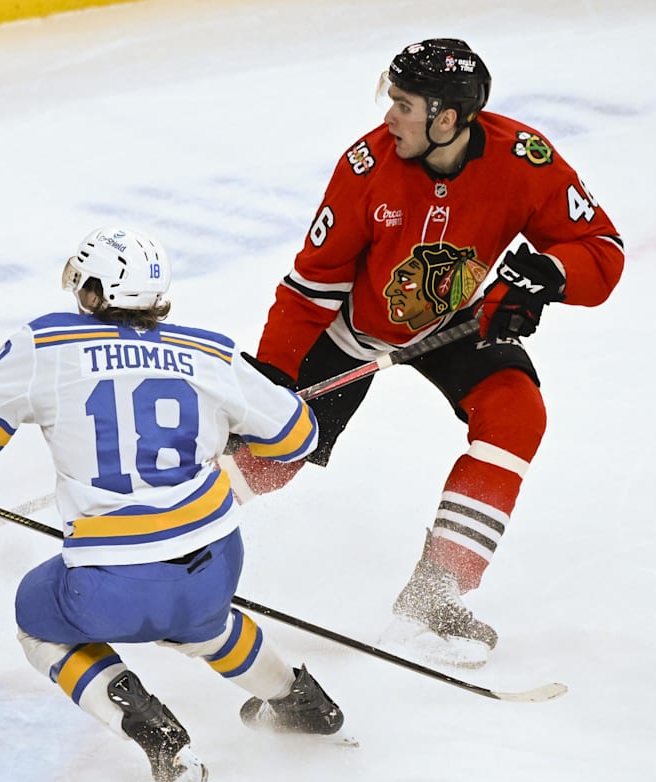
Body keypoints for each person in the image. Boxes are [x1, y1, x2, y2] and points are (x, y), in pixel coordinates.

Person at [0, 227, 345, 782]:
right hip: (215, 563)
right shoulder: (208, 351)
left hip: (112, 583)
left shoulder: (46, 344)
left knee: (36, 618)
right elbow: (297, 437)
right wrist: (226, 432)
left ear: (92, 293)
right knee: (200, 620)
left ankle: (154, 733)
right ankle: (297, 700)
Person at [226, 38, 625, 666]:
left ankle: (435, 598)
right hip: (351, 330)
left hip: (454, 326)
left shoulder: (526, 160)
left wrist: (544, 275)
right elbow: (312, 284)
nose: (389, 116)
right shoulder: (366, 166)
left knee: (517, 415)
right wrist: (274, 375)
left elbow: (600, 247)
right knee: (278, 451)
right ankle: (162, 539)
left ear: (448, 119)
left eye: (404, 105)